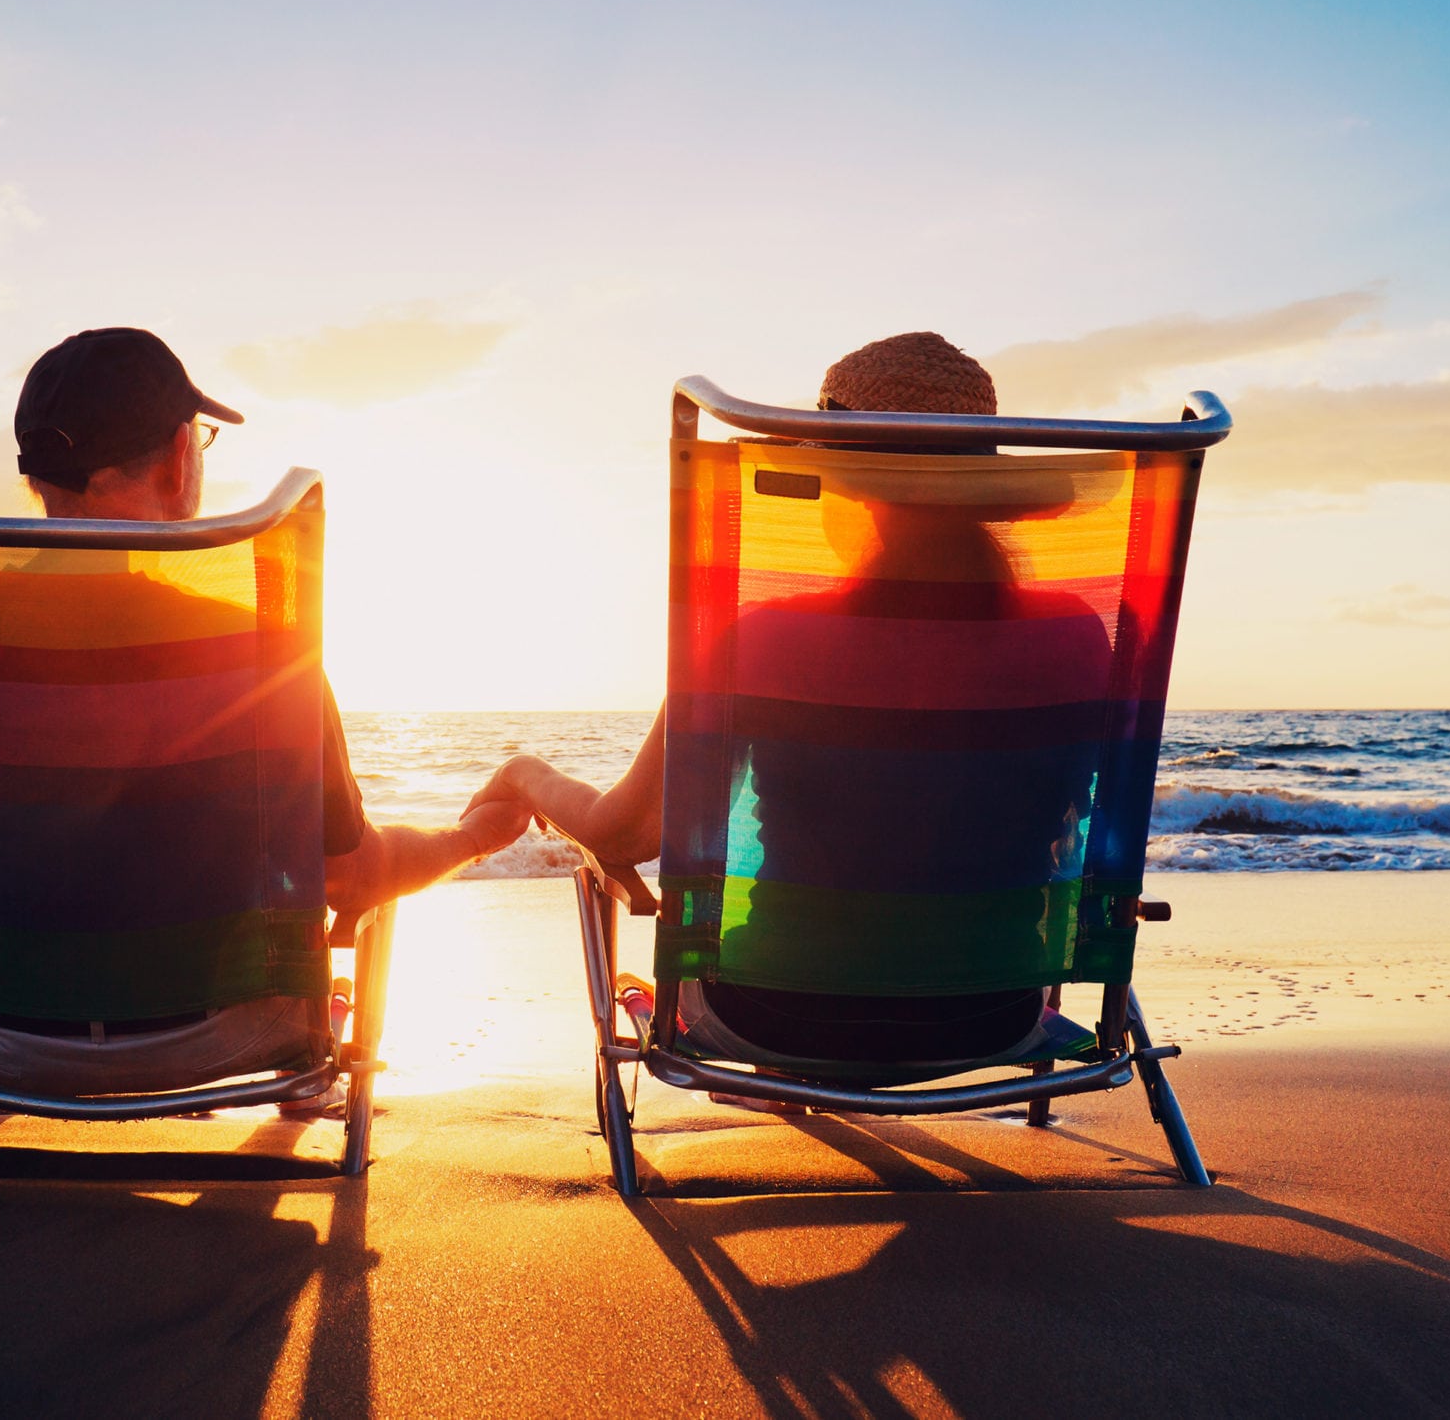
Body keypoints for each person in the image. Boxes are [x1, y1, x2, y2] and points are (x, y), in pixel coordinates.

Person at [0, 326, 531, 1096]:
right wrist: (470, 837)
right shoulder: (259, 651)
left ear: (38, 473)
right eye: (203, 439)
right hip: (221, 1039)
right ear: (182, 456)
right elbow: (350, 877)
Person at [467, 332, 1101, 1075]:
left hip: (776, 1015)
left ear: (844, 485)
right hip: (994, 1014)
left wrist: (523, 774)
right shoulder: (1076, 636)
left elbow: (625, 831)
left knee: (664, 957)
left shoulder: (764, 637)